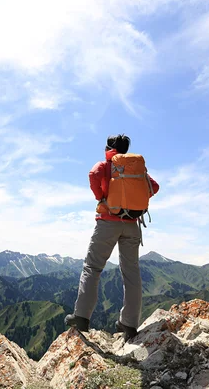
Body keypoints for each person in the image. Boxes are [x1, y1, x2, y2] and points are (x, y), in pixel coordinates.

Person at [64, 134, 159, 341]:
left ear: (108, 147)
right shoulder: (137, 169)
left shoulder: (105, 165)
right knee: (131, 273)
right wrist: (133, 202)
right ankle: (129, 323)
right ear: (126, 150)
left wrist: (102, 197)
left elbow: (93, 174)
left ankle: (81, 317)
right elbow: (155, 187)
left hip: (108, 222)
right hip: (132, 225)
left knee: (93, 267)